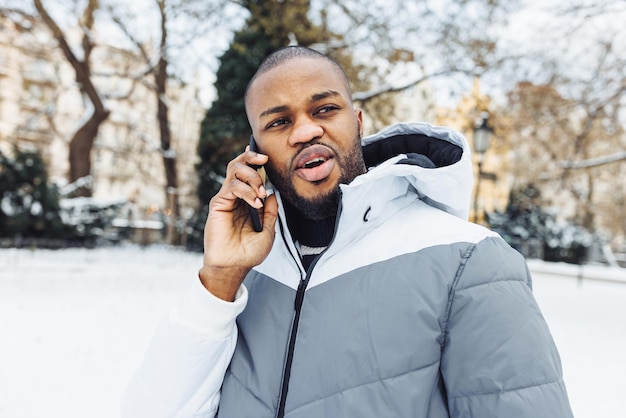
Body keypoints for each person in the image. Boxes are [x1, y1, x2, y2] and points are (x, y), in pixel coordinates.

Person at [122, 46, 573, 418]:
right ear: (255, 151)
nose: (305, 130)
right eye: (278, 122)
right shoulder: (247, 270)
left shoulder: (468, 259)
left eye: (324, 109)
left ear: (357, 124)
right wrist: (219, 279)